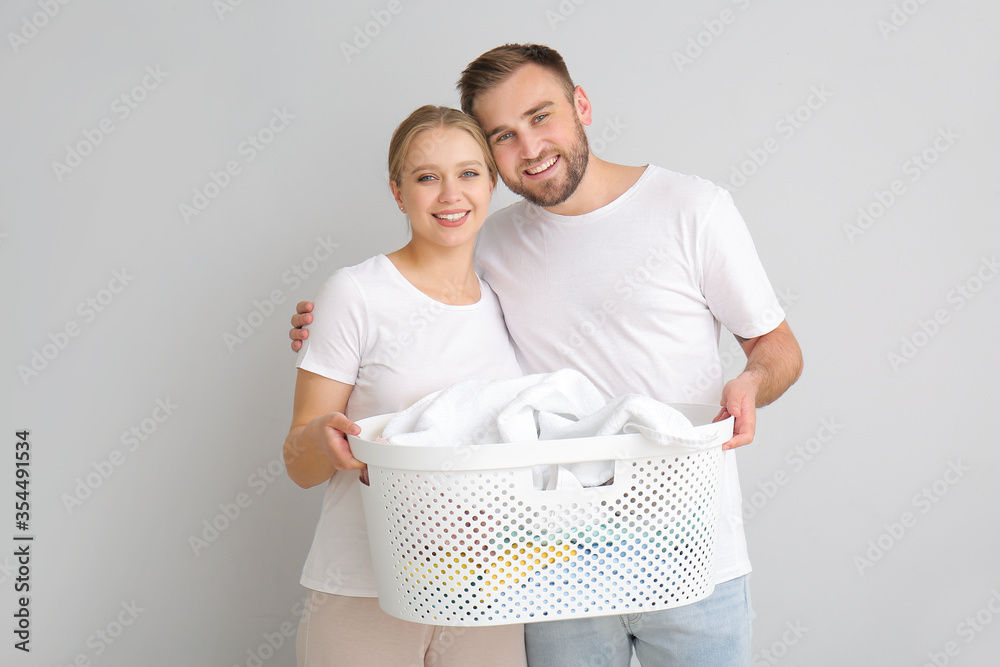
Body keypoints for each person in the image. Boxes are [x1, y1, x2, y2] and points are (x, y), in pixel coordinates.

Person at [289, 44, 804, 667]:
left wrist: (750, 383)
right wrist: (328, 325)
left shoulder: (693, 209)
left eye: (541, 117)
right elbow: (413, 296)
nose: (530, 148)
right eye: (503, 135)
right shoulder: (492, 241)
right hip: (549, 563)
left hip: (690, 549)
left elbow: (777, 349)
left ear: (580, 104)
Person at [283, 104, 527, 667]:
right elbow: (298, 464)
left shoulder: (508, 298)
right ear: (398, 192)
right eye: (426, 177)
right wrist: (327, 435)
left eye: (468, 173)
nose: (450, 195)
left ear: (492, 183)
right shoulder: (356, 293)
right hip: (367, 588)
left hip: (486, 591)